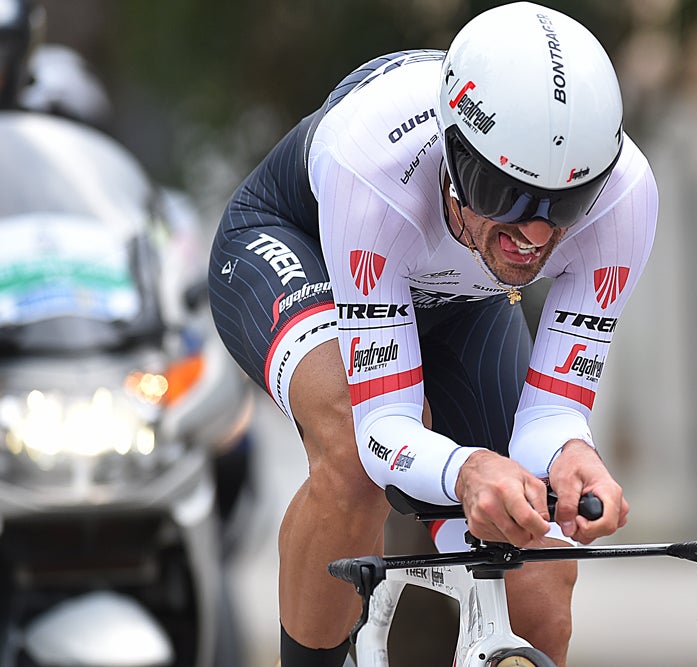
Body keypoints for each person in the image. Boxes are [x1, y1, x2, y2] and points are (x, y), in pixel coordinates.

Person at [207, 2, 658, 666]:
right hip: (305, 248)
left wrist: (569, 452)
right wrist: (466, 471)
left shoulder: (624, 200)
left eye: (566, 204)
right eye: (503, 192)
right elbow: (385, 429)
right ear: (454, 156)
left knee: (537, 568)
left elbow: (551, 414)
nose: (534, 233)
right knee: (353, 460)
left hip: (458, 296)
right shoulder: (374, 159)